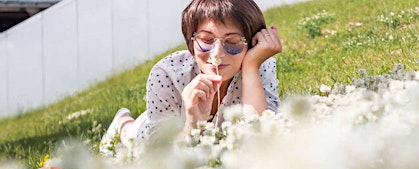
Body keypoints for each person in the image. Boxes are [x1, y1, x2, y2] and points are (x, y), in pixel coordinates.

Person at [99, 0, 282, 156]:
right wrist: (192, 124)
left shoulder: (258, 66)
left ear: (251, 43)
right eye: (207, 40)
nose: (217, 53)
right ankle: (122, 121)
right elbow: (160, 157)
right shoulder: (166, 74)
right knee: (130, 135)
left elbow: (262, 142)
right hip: (156, 134)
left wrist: (250, 67)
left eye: (233, 42)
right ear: (191, 41)